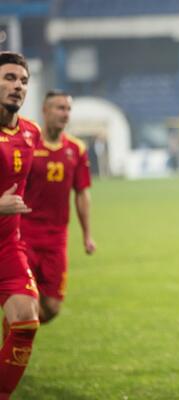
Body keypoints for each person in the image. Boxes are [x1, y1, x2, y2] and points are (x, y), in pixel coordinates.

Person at [20, 90, 95, 324]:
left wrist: (87, 235)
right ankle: (16, 333)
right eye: (60, 108)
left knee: (51, 307)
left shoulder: (76, 149)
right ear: (45, 111)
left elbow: (82, 193)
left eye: (68, 109)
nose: (65, 114)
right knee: (25, 302)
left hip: (56, 240)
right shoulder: (28, 145)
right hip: (24, 236)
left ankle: (16, 326)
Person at [0, 51, 41, 399]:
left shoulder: (31, 133)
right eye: (9, 78)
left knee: (27, 320)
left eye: (23, 81)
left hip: (7, 247)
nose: (18, 86)